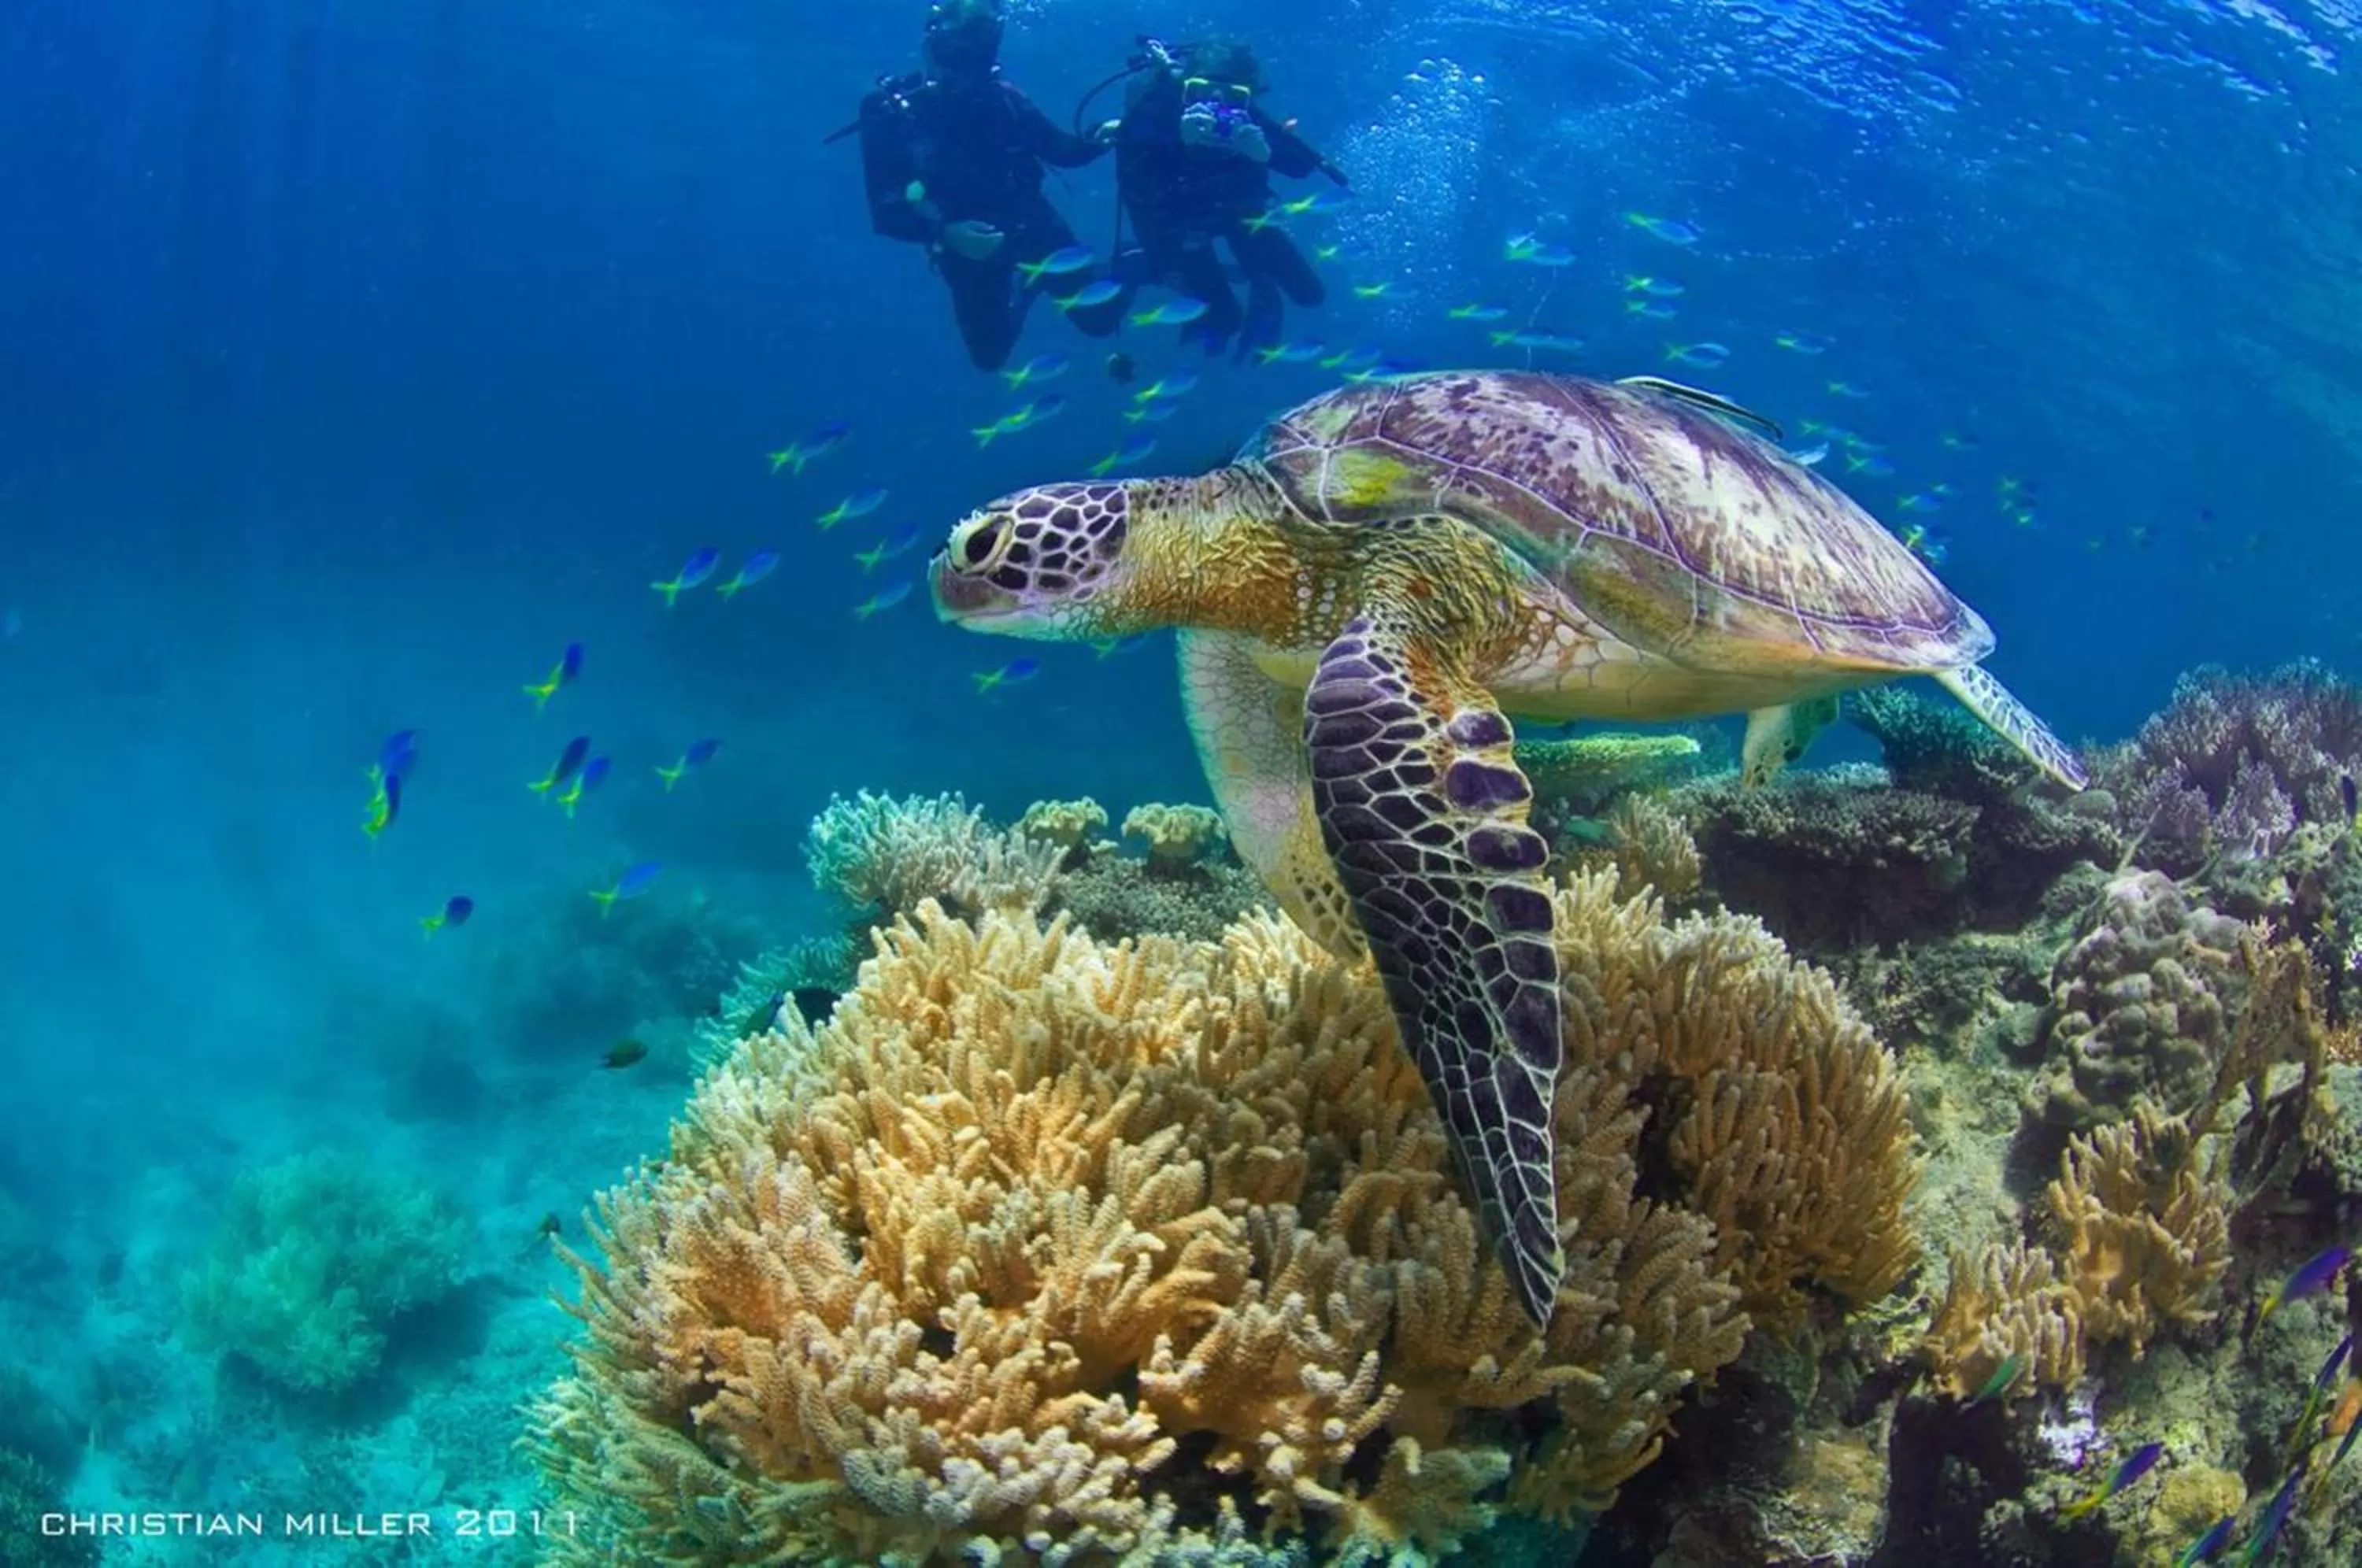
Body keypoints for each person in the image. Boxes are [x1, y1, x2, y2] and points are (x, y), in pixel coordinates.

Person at [853, 0, 1124, 371]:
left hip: (1032, 222)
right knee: (990, 357)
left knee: (1100, 320)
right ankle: (1029, 284)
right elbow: (886, 211)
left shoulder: (1005, 98)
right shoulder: (890, 111)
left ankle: (1130, 263)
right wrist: (946, 234)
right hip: (964, 245)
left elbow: (1060, 150)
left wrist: (1100, 138)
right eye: (958, 53)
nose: (968, 68)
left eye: (980, 52)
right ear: (933, 47)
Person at [1113, 38, 1334, 359]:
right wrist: (1179, 144)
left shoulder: (1247, 117)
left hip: (1239, 213)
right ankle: (1142, 264)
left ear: (1246, 96)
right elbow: (1132, 181)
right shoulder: (1158, 107)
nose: (1217, 102)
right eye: (1201, 91)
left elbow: (1302, 166)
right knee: (1224, 317)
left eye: (1233, 96)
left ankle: (1255, 281)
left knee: (1310, 293)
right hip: (1179, 224)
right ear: (1185, 87)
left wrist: (1266, 152)